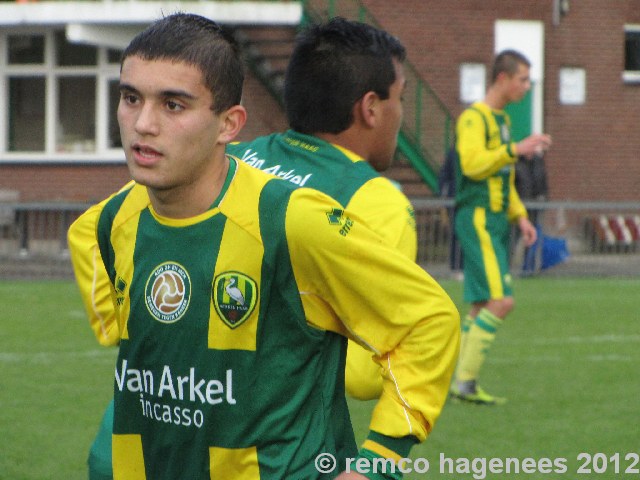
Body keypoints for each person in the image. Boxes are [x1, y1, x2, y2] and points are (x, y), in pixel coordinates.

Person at [68, 13, 459, 479]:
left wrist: (378, 461)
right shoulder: (114, 217)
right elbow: (89, 247)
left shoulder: (292, 219)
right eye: (131, 98)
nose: (142, 124)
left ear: (228, 125)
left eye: (173, 105)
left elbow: (428, 322)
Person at [227, 17, 416, 401]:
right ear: (371, 108)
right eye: (401, 97)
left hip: (148, 433)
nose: (402, 113)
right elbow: (363, 377)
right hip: (265, 447)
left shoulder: (227, 159)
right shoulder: (379, 204)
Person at [449, 49, 551, 405]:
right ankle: (465, 383)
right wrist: (516, 150)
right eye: (523, 78)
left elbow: (502, 180)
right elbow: (474, 165)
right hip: (477, 217)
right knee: (501, 301)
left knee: (479, 305)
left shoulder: (503, 120)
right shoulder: (473, 119)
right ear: (503, 78)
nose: (527, 85)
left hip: (494, 221)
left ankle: (450, 379)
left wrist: (520, 216)